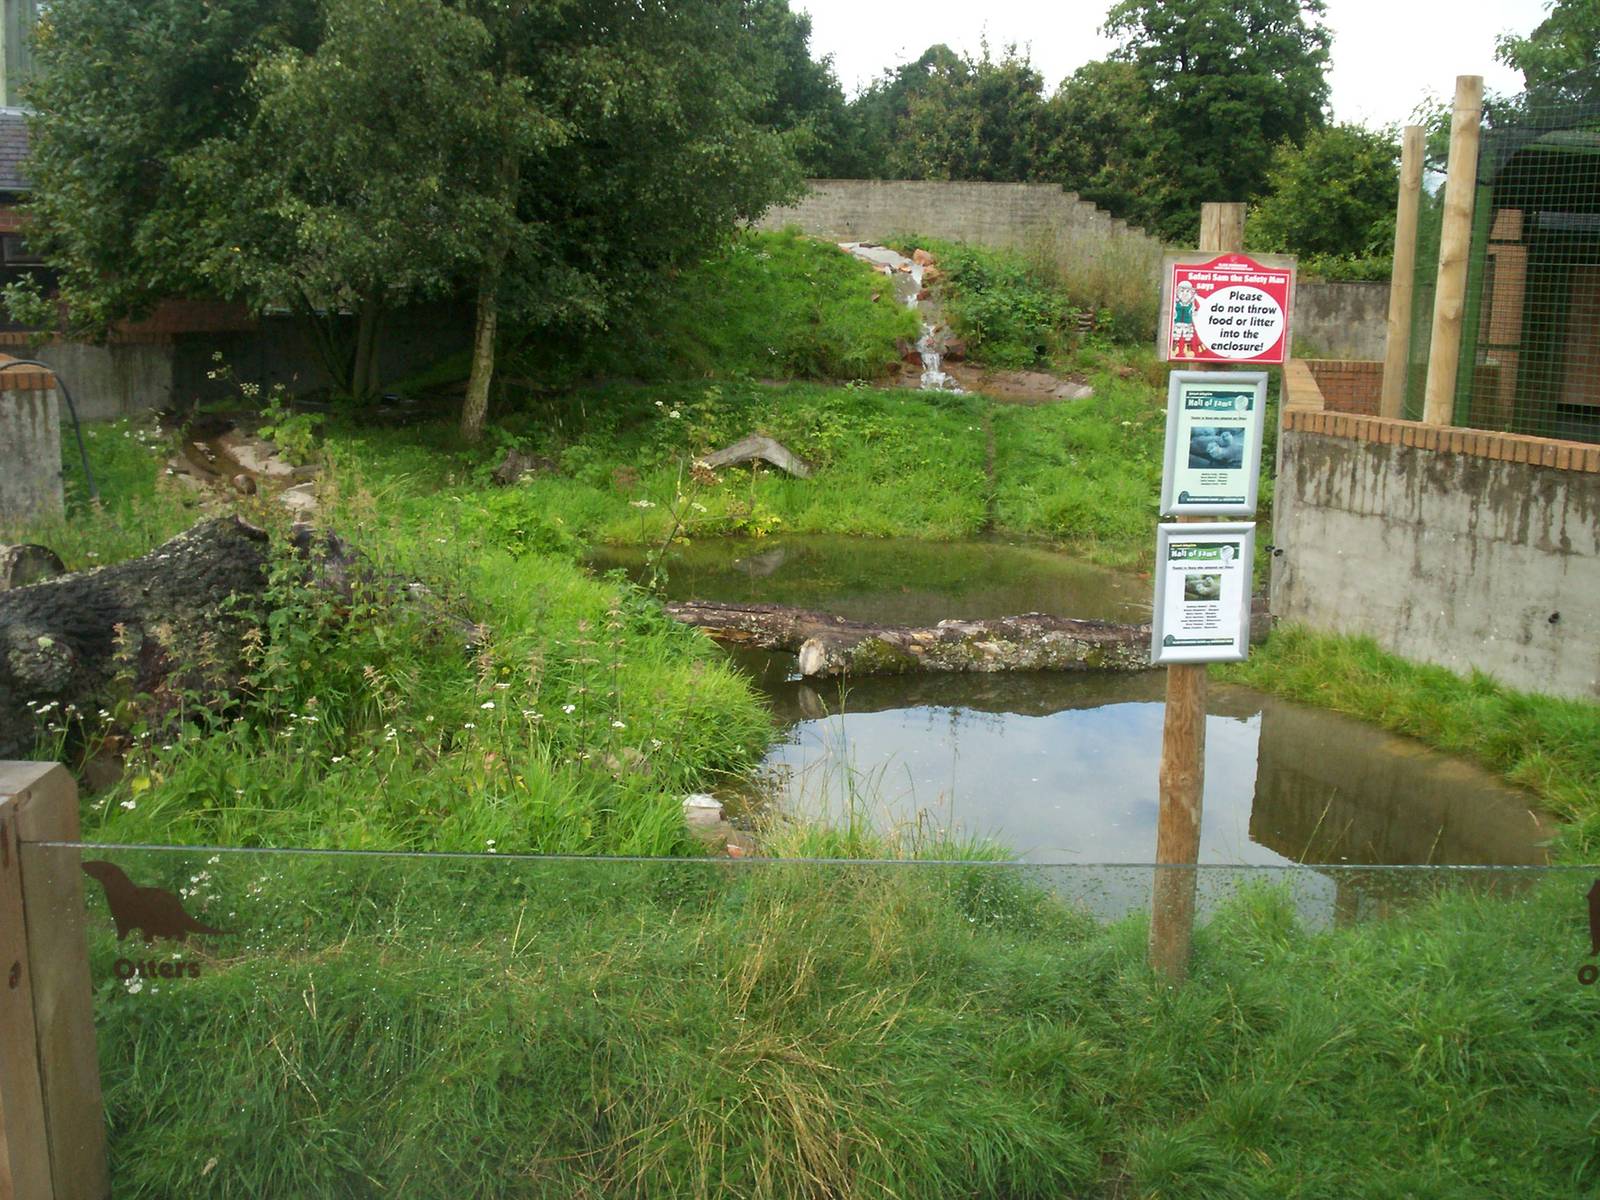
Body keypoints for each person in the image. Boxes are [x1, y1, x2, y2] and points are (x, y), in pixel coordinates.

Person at [1171, 281, 1201, 358]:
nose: (1184, 293)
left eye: (1187, 291)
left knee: (1188, 338)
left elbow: (1196, 312)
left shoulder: (1192, 304)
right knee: (1176, 337)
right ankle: (1175, 350)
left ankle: (1188, 352)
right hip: (1177, 323)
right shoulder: (1176, 303)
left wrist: (1195, 314)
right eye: (1182, 291)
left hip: (1188, 324)